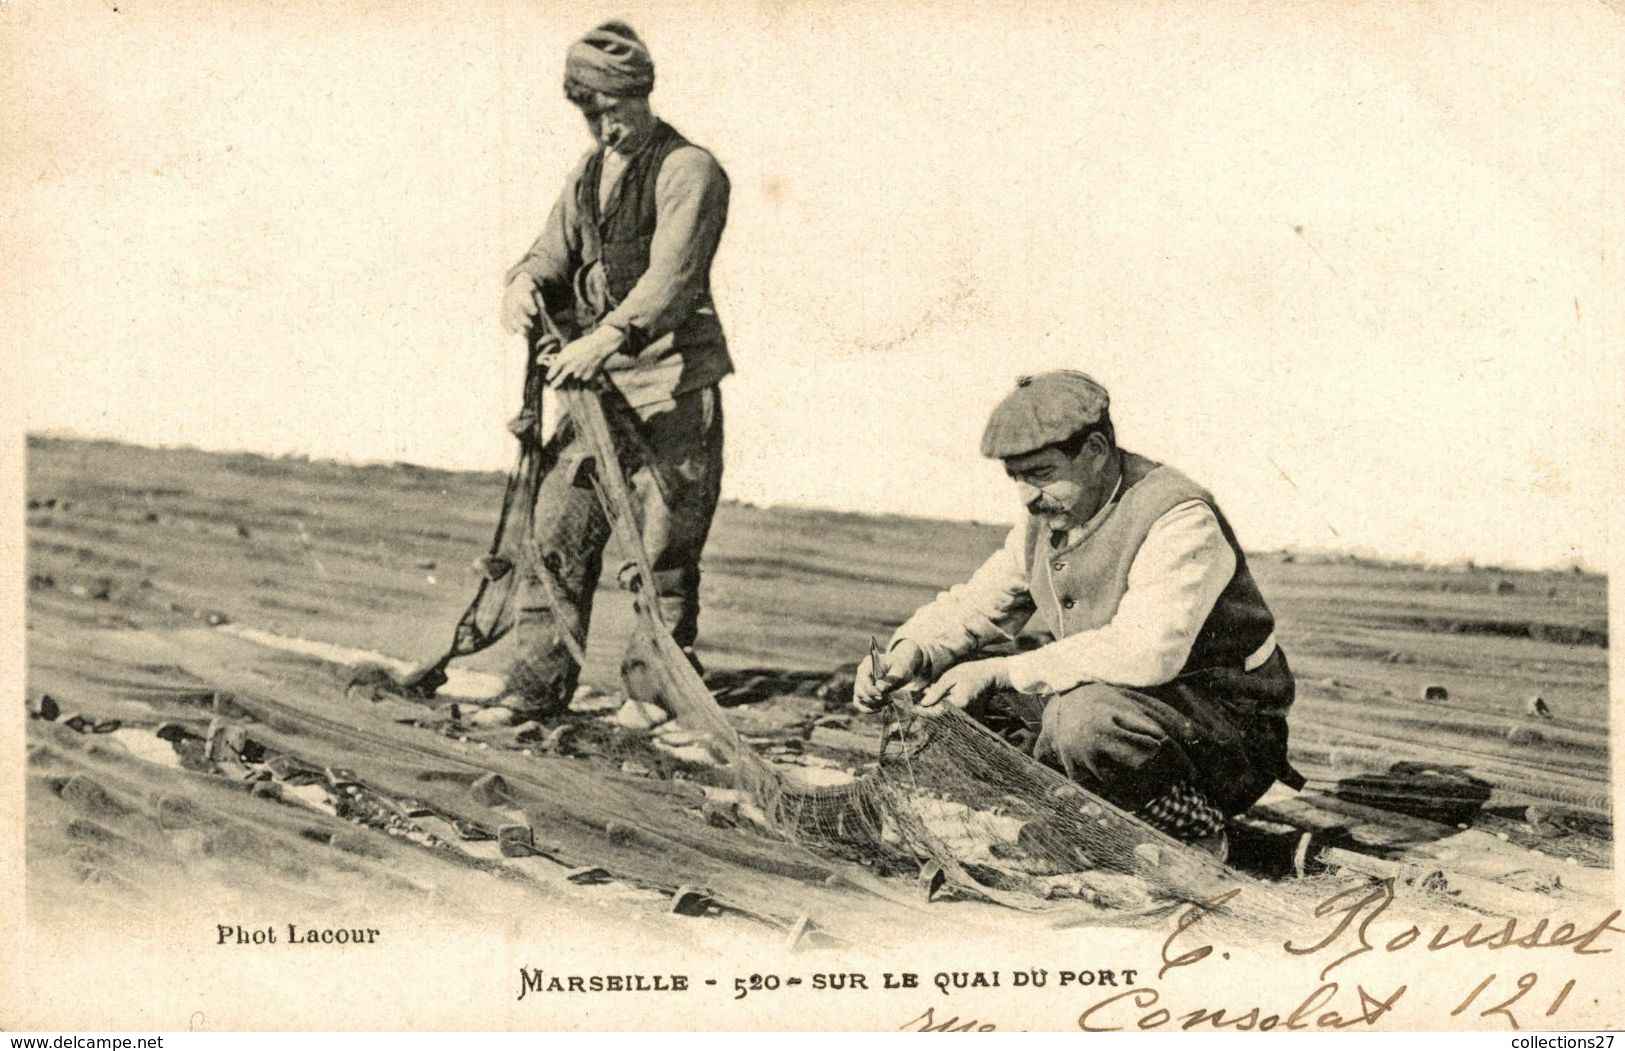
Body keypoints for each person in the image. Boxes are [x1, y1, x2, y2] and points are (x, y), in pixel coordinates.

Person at [853, 371, 1302, 854]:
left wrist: (1003, 670)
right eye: (1017, 478)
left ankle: (1192, 831)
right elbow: (977, 603)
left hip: (1224, 736)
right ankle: (1085, 817)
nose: (1027, 495)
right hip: (1127, 709)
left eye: (1041, 474)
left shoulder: (1178, 517)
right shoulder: (1045, 518)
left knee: (1081, 722)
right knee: (943, 703)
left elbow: (1147, 653)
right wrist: (911, 651)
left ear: (1094, 450)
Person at [497, 21, 732, 718]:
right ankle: (534, 690)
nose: (605, 129)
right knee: (555, 539)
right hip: (594, 397)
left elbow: (673, 278)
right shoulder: (588, 174)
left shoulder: (690, 169)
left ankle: (654, 695)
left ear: (641, 96)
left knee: (660, 555)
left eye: (614, 112)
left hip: (670, 391)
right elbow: (550, 251)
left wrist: (607, 336)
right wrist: (522, 282)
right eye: (590, 116)